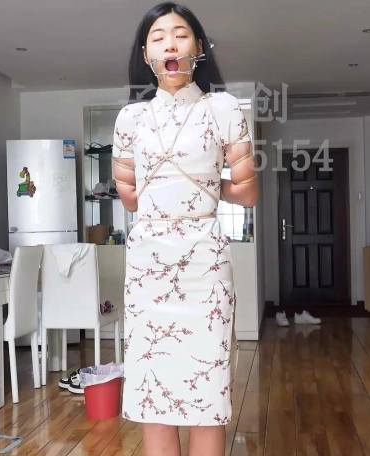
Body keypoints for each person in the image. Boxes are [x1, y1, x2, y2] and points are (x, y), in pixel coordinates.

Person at [111, 3, 258, 455]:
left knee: (206, 393)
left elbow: (248, 192)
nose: (170, 44)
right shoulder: (129, 118)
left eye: (180, 34)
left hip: (203, 265)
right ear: (146, 55)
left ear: (199, 47)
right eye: (158, 37)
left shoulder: (224, 108)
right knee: (153, 391)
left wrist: (206, 186)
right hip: (148, 268)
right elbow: (129, 197)